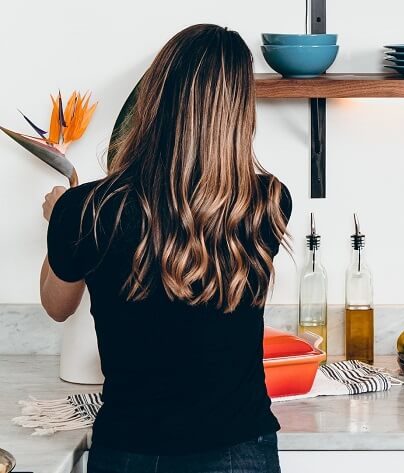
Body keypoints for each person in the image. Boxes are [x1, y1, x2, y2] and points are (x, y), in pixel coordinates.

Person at [40, 24, 290, 473]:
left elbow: (57, 305)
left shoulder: (88, 209)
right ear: (239, 112)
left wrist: (58, 219)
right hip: (241, 450)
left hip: (130, 449)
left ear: (153, 98)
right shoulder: (267, 202)